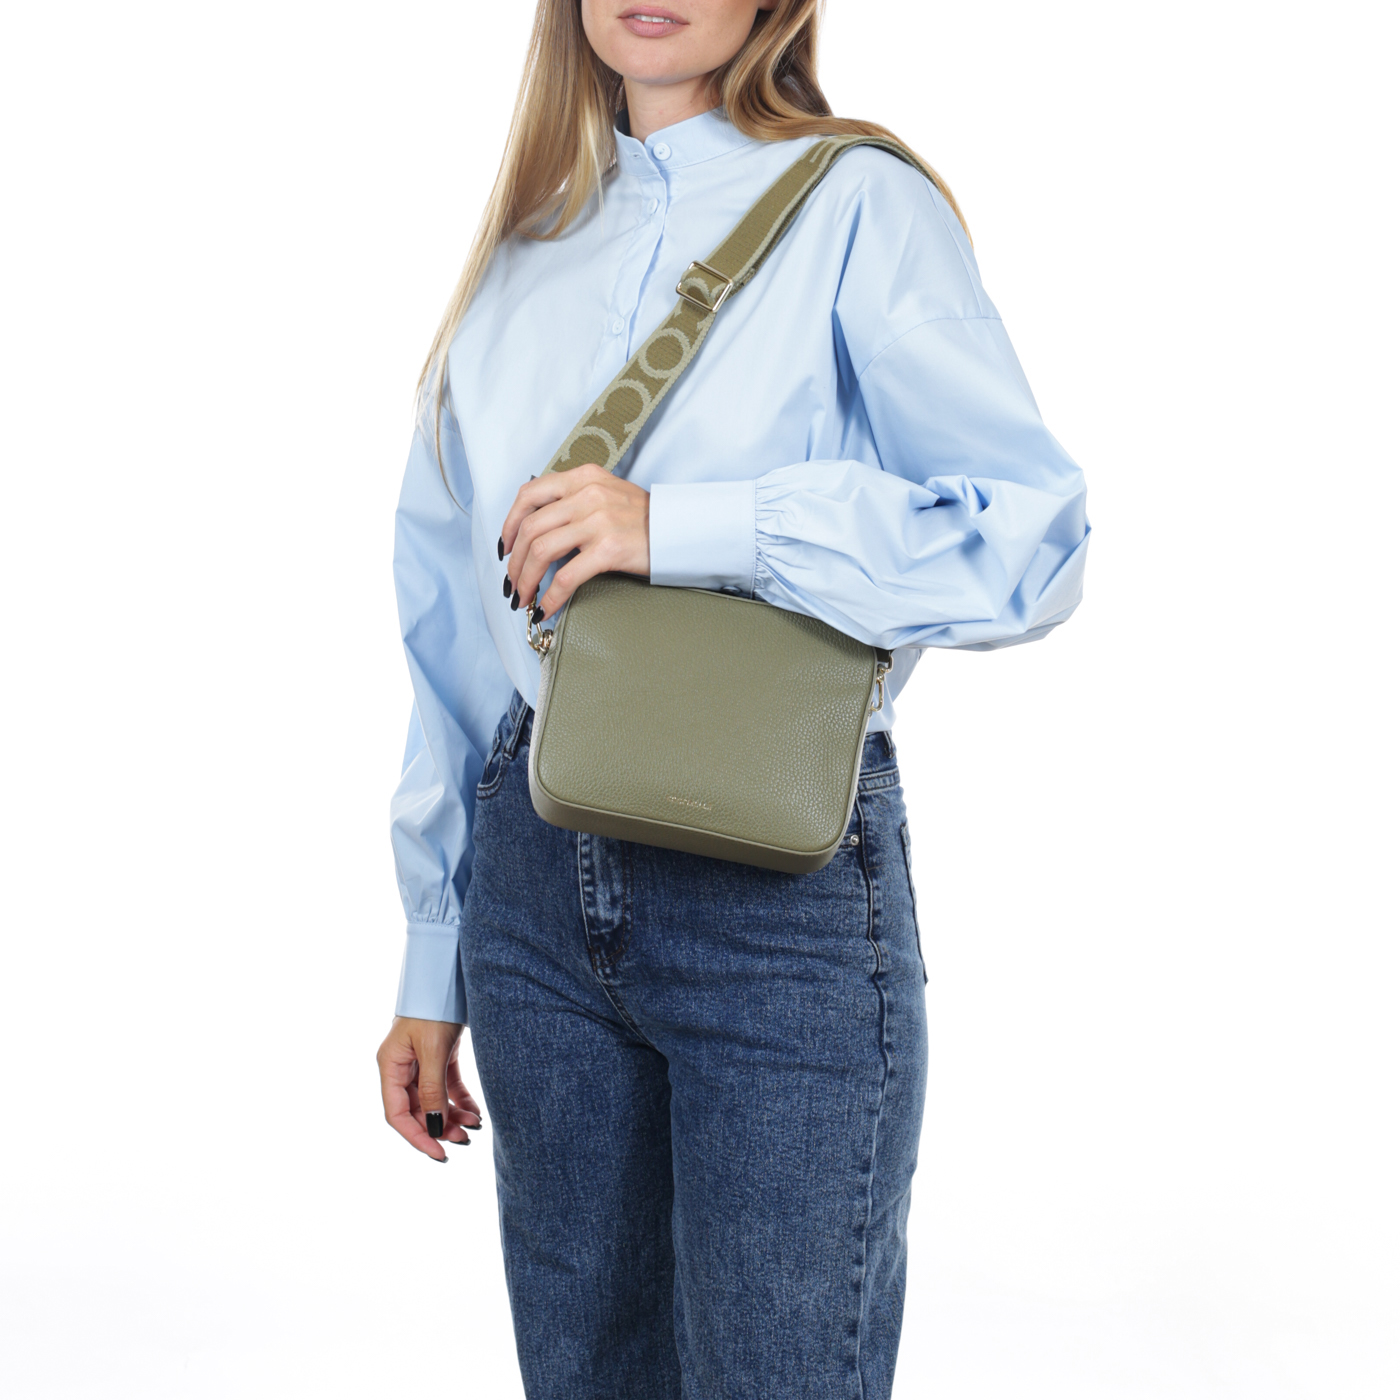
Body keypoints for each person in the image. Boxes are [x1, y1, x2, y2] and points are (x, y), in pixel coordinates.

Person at [375, 2, 1089, 1395]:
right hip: (531, 886)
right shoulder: (523, 252)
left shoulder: (857, 205)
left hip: (774, 885)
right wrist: (430, 959)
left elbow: (1030, 542)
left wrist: (692, 527)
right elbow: (452, 626)